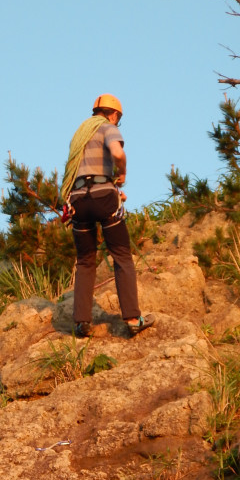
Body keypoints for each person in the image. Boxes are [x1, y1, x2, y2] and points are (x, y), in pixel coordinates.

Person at [60, 94, 155, 338]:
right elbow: (118, 154)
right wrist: (121, 174)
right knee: (121, 255)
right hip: (104, 197)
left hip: (78, 200)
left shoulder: (80, 135)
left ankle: (81, 323)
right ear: (114, 115)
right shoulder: (107, 129)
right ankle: (133, 319)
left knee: (85, 261)